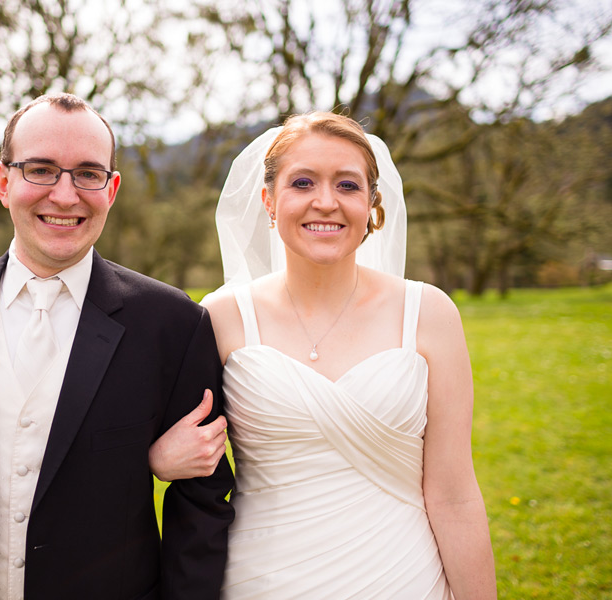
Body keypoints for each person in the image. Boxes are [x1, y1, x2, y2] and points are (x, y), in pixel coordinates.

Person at [0, 92, 234, 600]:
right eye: (40, 169)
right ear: (2, 181)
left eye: (87, 173)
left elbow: (203, 501)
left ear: (112, 188)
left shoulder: (175, 324)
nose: (64, 194)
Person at [150, 112, 496, 598]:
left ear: (373, 204)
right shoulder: (222, 317)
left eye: (348, 185)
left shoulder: (429, 313)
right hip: (261, 579)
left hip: (401, 576)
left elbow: (455, 496)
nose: (326, 202)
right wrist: (157, 461)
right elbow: (152, 446)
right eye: (303, 182)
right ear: (269, 201)